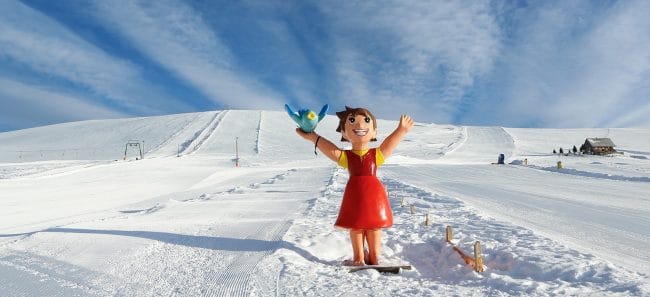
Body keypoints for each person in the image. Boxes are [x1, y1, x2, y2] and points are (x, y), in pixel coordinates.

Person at [295, 106, 414, 266]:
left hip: (374, 195)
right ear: (344, 133)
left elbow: (389, 145)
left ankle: (374, 256)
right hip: (355, 194)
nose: (359, 126)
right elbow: (331, 150)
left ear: (374, 132)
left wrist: (401, 130)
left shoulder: (375, 155)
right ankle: (358, 257)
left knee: (374, 226)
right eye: (352, 121)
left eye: (366, 121)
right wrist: (313, 137)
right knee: (356, 226)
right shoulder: (346, 157)